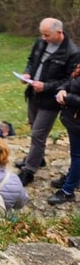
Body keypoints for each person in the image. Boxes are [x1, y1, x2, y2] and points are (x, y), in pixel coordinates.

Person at [18, 18, 80, 185]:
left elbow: (68, 80)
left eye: (47, 35)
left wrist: (46, 86)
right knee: (33, 126)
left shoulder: (72, 52)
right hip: (33, 94)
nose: (43, 38)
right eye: (42, 34)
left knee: (38, 134)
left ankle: (29, 171)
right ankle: (38, 159)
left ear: (59, 33)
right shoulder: (40, 42)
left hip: (51, 101)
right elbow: (31, 61)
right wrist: (27, 74)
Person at [49, 62, 80, 204]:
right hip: (74, 119)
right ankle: (73, 178)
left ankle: (67, 191)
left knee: (78, 156)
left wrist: (67, 98)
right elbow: (71, 80)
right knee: (76, 154)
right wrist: (62, 90)